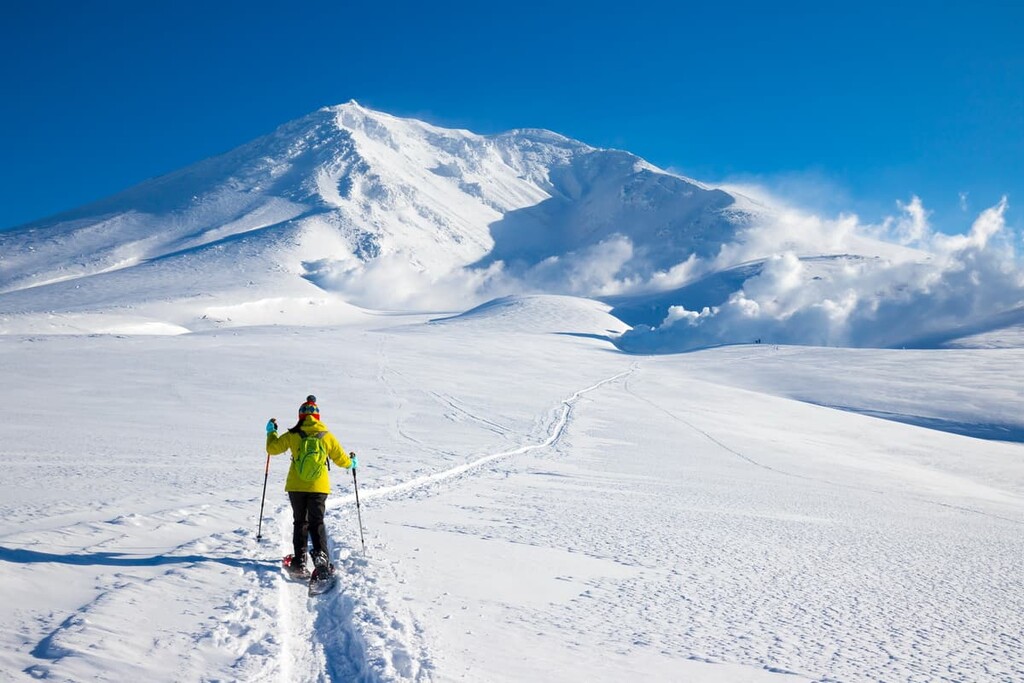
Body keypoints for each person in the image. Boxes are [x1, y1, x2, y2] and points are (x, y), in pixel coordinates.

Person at [265, 395, 356, 576]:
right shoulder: (326, 436)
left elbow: (272, 449)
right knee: (317, 523)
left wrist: (271, 432)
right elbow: (342, 459)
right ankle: (321, 560)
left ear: (300, 416)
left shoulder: (293, 435)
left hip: (296, 486)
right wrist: (352, 463)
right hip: (318, 487)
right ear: (317, 417)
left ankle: (299, 563)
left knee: (300, 522)